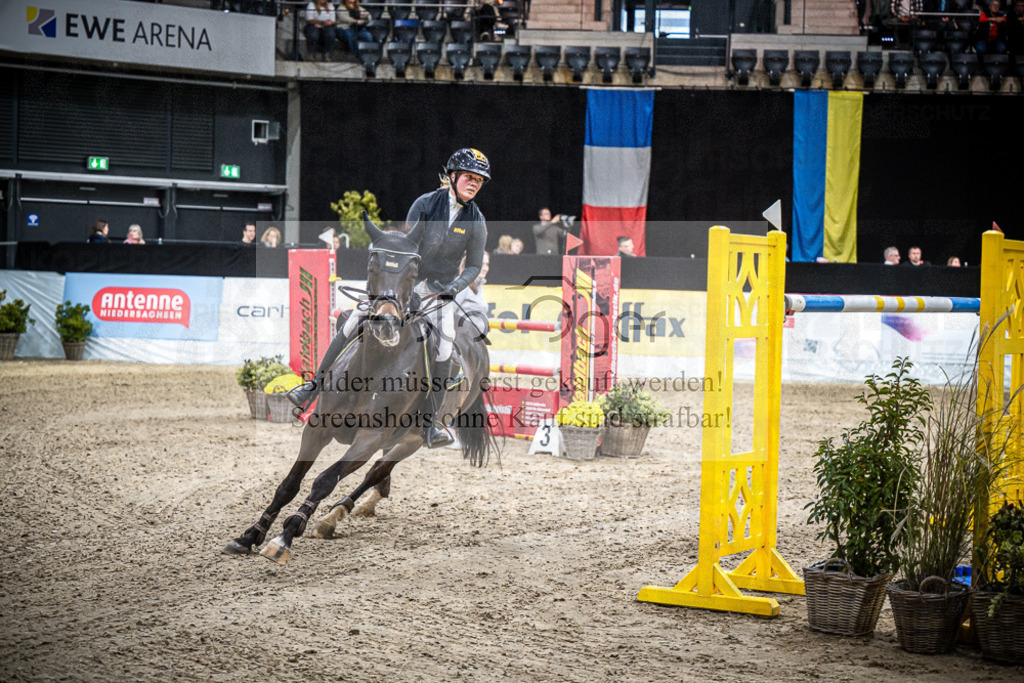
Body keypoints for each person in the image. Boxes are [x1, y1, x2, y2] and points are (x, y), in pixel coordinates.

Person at [288, 148, 491, 449]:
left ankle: (430, 423)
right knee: (354, 318)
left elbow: (474, 265)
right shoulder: (424, 204)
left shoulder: (477, 221)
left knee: (446, 341)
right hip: (406, 283)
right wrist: (399, 286)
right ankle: (312, 387)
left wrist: (454, 287)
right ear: (452, 176)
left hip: (441, 290)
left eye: (479, 180)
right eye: (468, 177)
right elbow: (406, 246)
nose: (473, 184)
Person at [455, 251, 490, 341]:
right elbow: (449, 312)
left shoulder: (479, 286)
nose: (485, 268)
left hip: (477, 341)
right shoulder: (462, 285)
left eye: (487, 264)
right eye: (482, 264)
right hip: (463, 342)